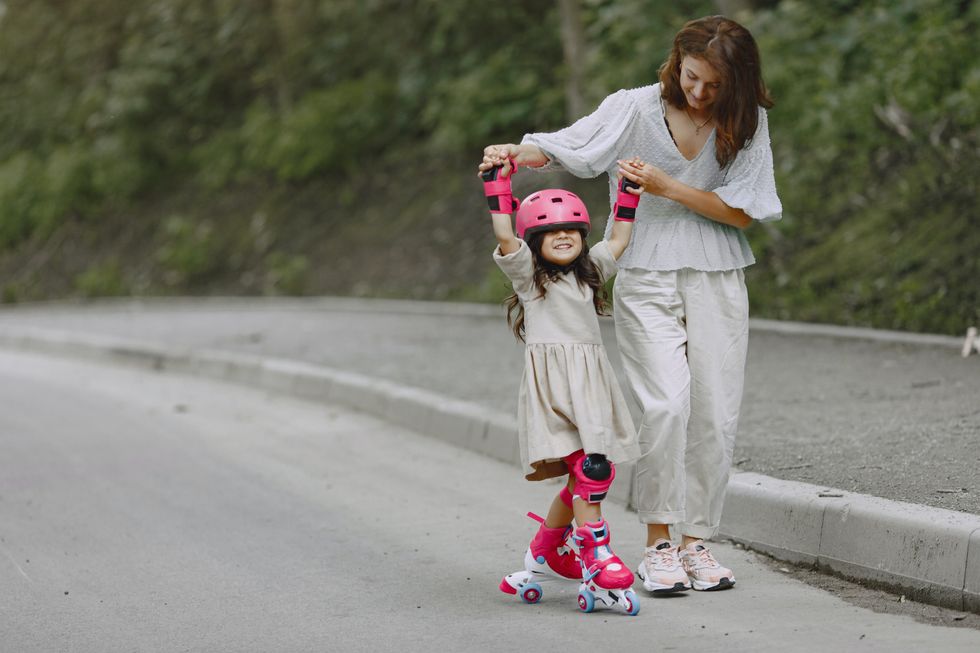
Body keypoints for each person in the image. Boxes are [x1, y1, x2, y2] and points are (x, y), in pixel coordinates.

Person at [480, 15, 782, 593]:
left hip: (718, 273)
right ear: (678, 63)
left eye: (714, 85)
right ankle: (659, 543)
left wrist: (667, 187)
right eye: (693, 78)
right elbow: (573, 147)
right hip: (643, 270)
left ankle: (698, 543)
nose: (699, 93)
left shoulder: (747, 120)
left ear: (737, 83)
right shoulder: (635, 107)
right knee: (666, 406)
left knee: (715, 413)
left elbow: (742, 212)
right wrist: (514, 154)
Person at [481, 161, 643, 614]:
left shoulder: (590, 271)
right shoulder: (530, 279)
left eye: (572, 230)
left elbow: (620, 240)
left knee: (583, 475)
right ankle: (597, 555)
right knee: (592, 471)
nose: (564, 237)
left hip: (589, 390)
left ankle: (544, 552)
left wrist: (629, 194)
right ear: (536, 241)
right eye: (552, 233)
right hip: (553, 394)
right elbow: (505, 239)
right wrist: (498, 187)